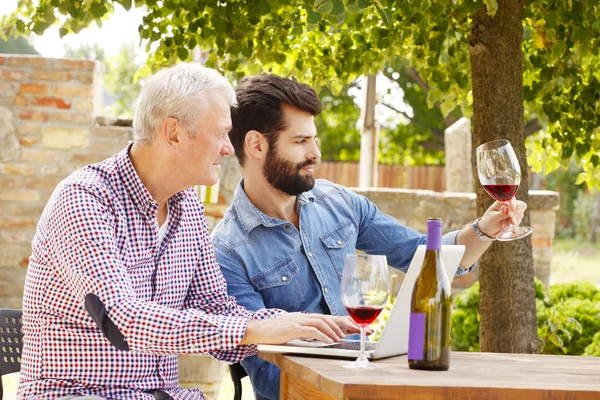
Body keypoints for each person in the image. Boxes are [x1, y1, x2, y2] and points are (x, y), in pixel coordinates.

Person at [17, 64, 360, 400]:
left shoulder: (188, 209)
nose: (229, 147)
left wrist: (302, 328)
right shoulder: (85, 200)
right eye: (220, 133)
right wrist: (253, 329)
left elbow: (215, 308)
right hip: (78, 393)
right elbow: (123, 320)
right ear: (173, 133)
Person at [211, 74, 528, 400]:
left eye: (314, 139)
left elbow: (421, 253)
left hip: (367, 382)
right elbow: (268, 377)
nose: (315, 153)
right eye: (300, 141)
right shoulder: (227, 252)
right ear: (256, 144)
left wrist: (485, 230)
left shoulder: (340, 203)